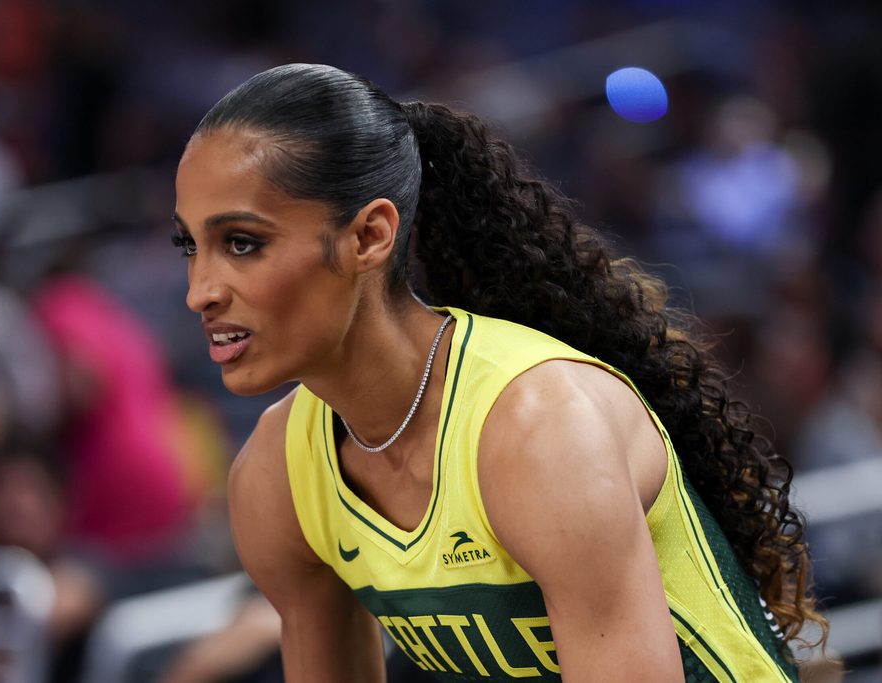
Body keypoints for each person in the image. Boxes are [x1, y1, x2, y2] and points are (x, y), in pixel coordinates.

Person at [171, 63, 826, 682]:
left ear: (369, 236)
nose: (201, 290)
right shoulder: (275, 473)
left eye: (242, 243)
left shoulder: (539, 427)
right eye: (190, 246)